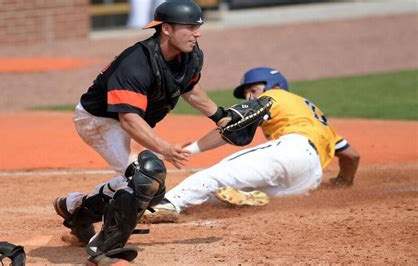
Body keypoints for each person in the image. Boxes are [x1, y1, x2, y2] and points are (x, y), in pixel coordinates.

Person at [52, 0, 231, 259]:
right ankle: (105, 249)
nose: (197, 33)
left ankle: (76, 210)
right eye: (190, 27)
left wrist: (220, 116)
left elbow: (189, 89)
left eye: (198, 27)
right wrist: (164, 148)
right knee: (144, 177)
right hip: (99, 120)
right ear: (166, 29)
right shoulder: (136, 62)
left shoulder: (190, 55)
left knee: (150, 186)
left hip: (127, 120)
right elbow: (128, 119)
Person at [144, 66, 361, 221]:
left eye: (253, 89)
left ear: (274, 85)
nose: (249, 96)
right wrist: (343, 184)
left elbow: (232, 128)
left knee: (217, 174)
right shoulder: (314, 117)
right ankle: (250, 197)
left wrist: (190, 149)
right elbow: (351, 156)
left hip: (292, 150)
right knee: (216, 197)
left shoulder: (275, 95)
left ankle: (168, 203)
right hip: (308, 180)